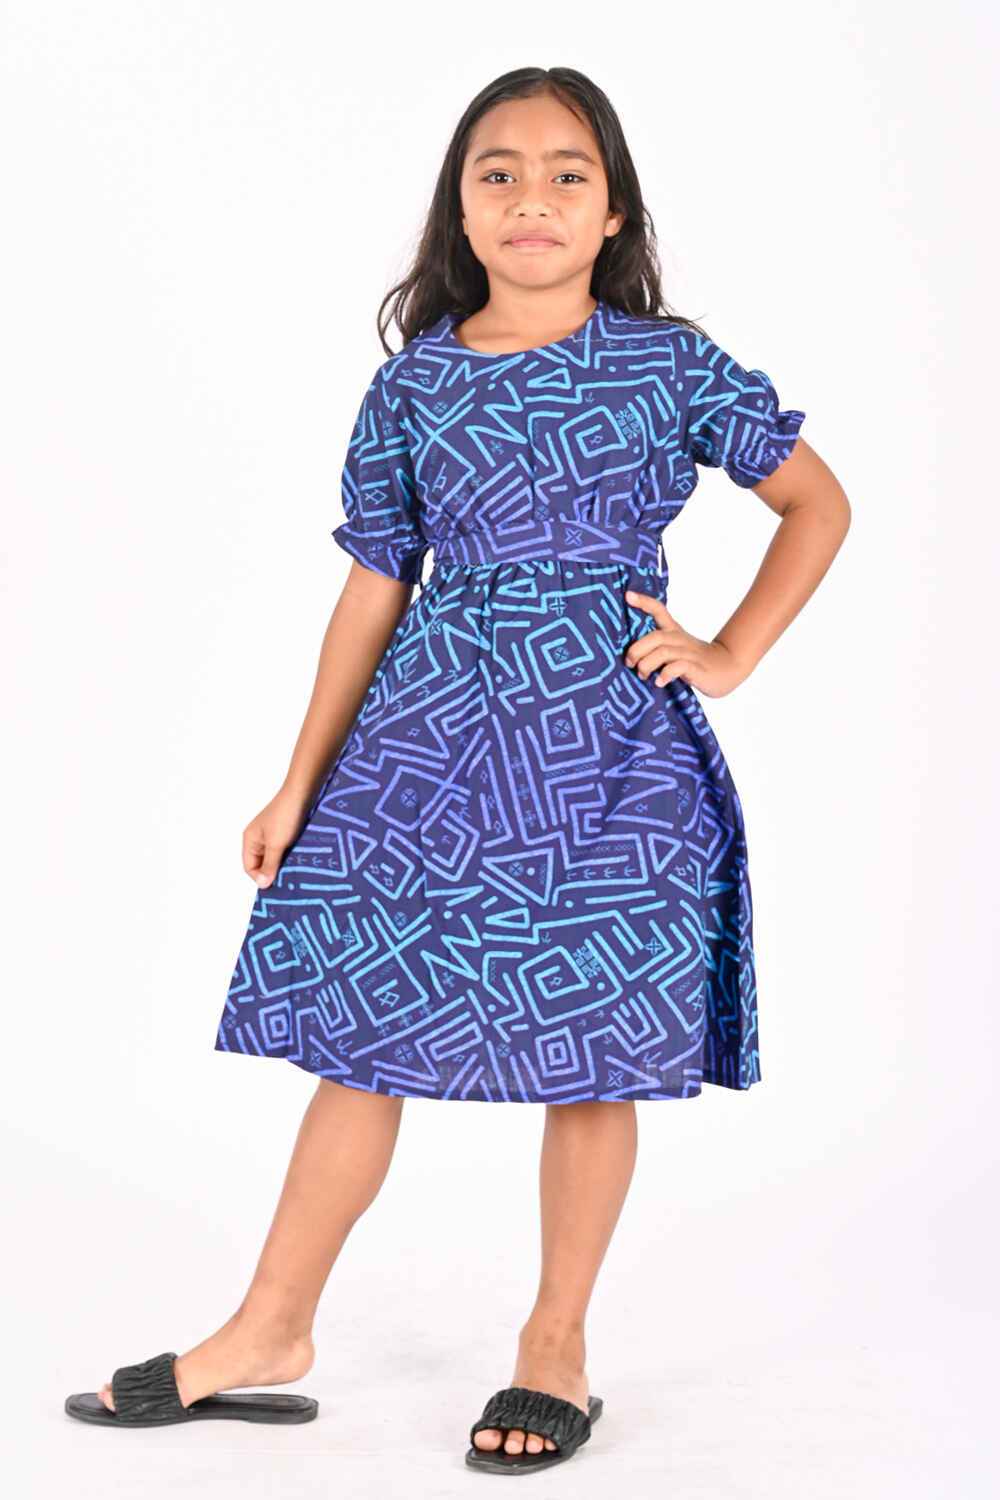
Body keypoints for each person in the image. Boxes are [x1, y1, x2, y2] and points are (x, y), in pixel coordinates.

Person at [64, 66, 850, 1473]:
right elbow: (374, 586)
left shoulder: (668, 366)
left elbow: (816, 501)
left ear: (613, 212)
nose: (532, 197)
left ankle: (557, 1345)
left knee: (595, 1048)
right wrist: (298, 782)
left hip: (606, 753)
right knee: (356, 1034)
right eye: (499, 172)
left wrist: (730, 651)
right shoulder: (414, 383)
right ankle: (270, 1328)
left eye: (566, 173)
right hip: (422, 746)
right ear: (461, 207)